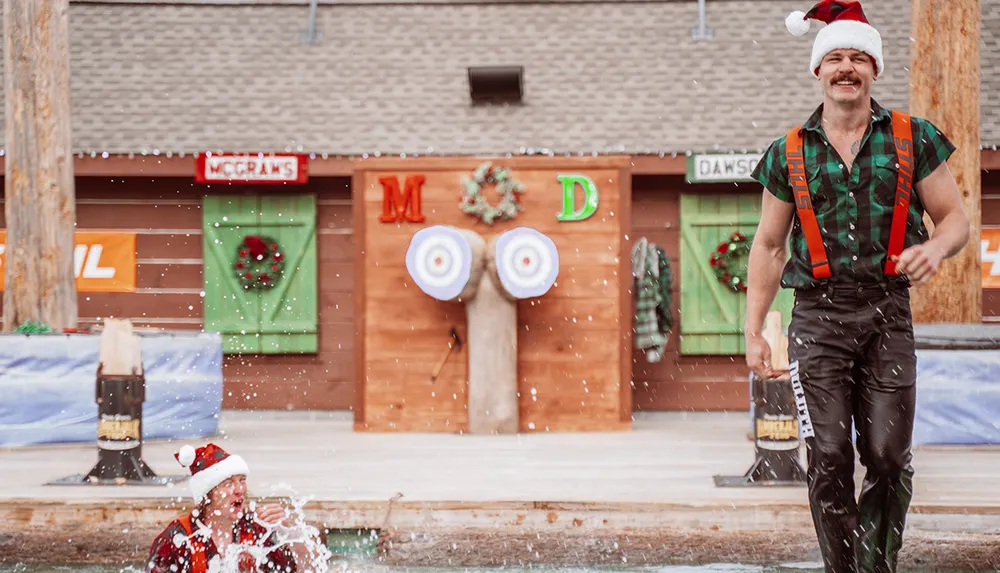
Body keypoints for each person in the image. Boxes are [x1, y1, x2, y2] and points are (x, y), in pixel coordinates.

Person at [744, 2, 970, 573]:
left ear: (874, 69)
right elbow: (768, 246)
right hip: (817, 318)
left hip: (887, 312)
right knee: (828, 455)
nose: (846, 67)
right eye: (836, 58)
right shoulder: (788, 151)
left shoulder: (913, 138)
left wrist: (935, 248)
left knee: (887, 456)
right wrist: (753, 330)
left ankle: (876, 565)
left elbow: (955, 220)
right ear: (818, 69)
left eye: (858, 58)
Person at [147, 443, 321, 573]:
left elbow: (311, 568)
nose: (239, 490)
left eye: (242, 480)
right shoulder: (179, 538)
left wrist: (289, 531)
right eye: (228, 483)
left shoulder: (258, 529)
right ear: (207, 496)